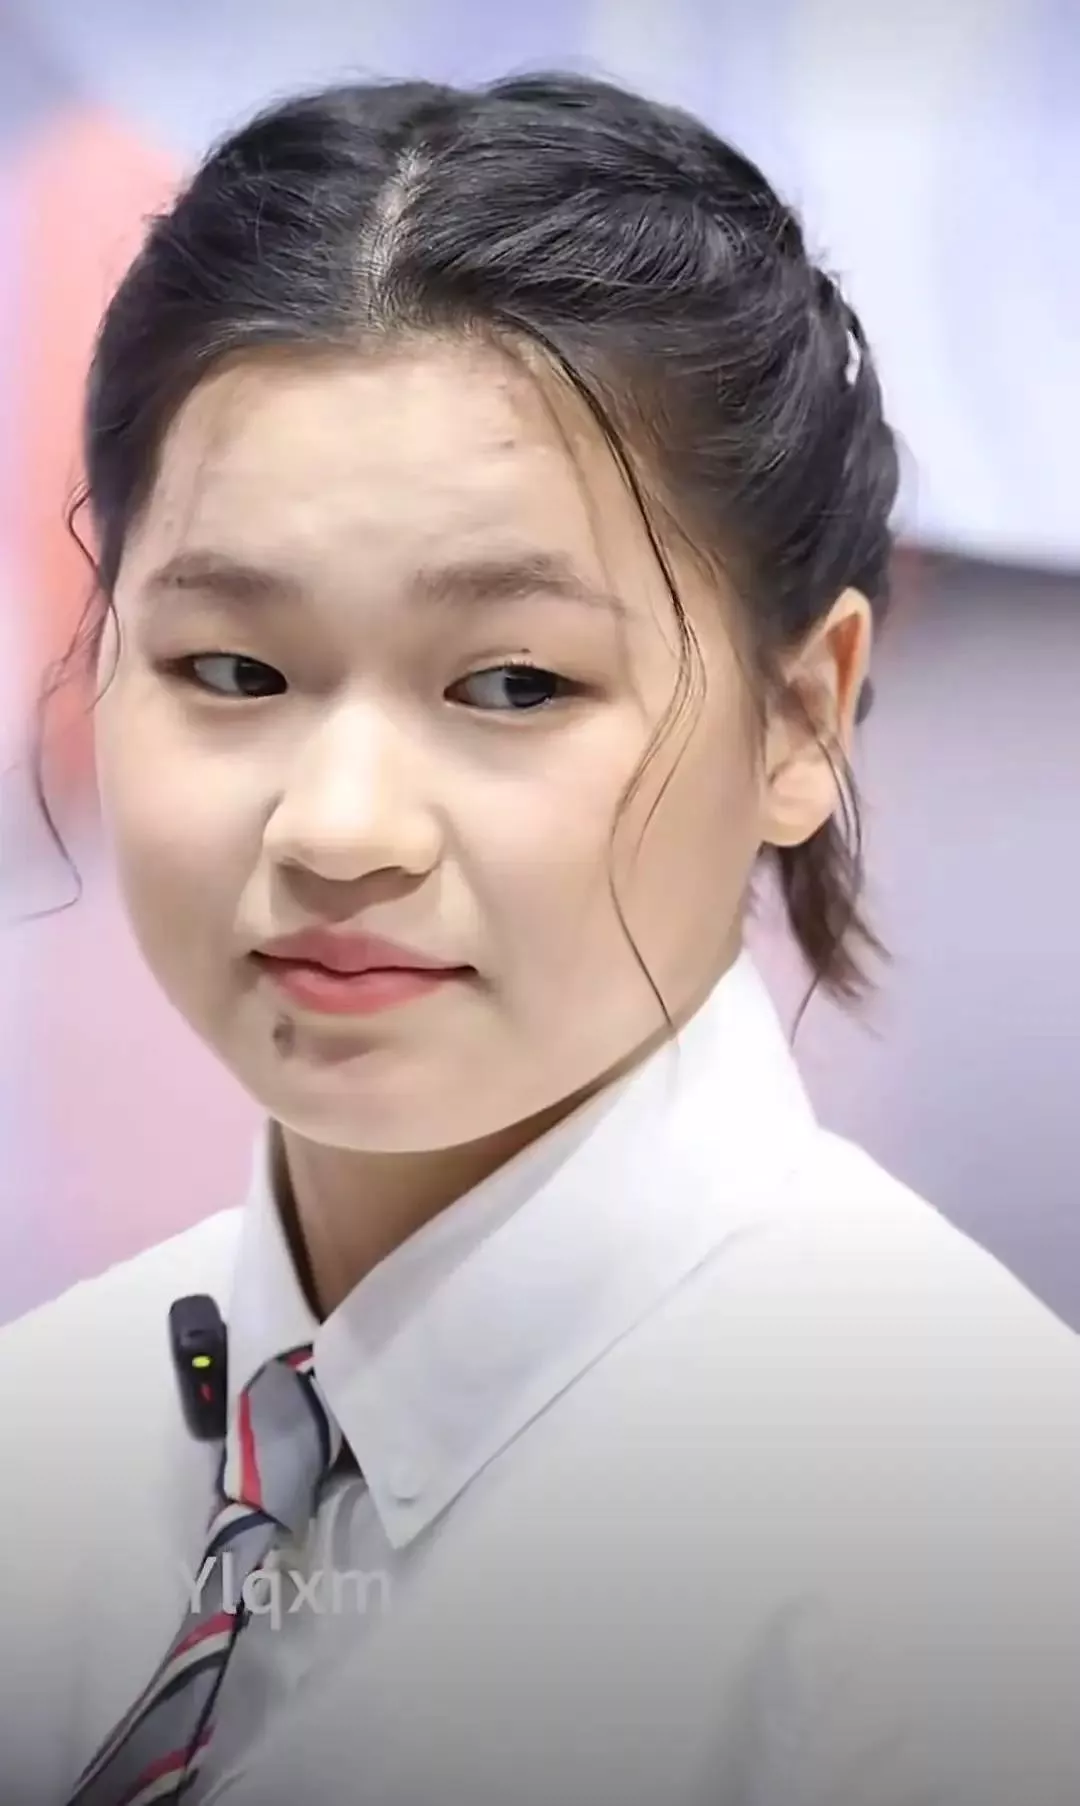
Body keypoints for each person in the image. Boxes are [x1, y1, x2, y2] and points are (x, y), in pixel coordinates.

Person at [1, 69, 1077, 1806]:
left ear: (804, 715)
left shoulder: (963, 1547)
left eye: (512, 684)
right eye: (233, 669)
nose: (340, 824)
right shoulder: (53, 1433)